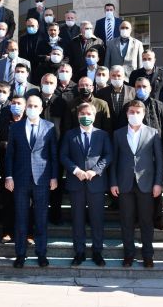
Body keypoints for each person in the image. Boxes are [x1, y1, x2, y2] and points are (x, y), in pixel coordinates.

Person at [5, 95, 58, 268]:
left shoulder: (49, 127)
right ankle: (20, 254)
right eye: (29, 105)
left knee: (41, 218)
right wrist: (8, 176)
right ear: (25, 107)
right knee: (21, 218)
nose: (32, 108)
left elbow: (53, 154)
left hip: (42, 179)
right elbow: (10, 154)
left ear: (41, 109)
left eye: (35, 106)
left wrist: (54, 176)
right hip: (20, 179)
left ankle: (41, 253)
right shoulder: (16, 127)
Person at [109, 100, 163, 268]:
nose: (134, 115)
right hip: (124, 184)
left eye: (138, 112)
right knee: (126, 221)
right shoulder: (118, 134)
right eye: (131, 112)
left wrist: (158, 183)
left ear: (143, 113)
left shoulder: (153, 133)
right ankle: (129, 255)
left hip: (146, 184)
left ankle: (148, 255)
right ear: (127, 114)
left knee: (146, 221)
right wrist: (113, 182)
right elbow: (114, 160)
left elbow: (159, 160)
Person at [60, 103, 112, 267]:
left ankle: (97, 252)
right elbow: (63, 155)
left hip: (96, 184)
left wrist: (95, 171)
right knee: (77, 220)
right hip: (76, 183)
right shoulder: (70, 134)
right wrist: (76, 170)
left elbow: (108, 155)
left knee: (97, 219)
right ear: (78, 116)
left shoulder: (102, 135)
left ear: (94, 116)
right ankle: (79, 252)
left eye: (89, 113)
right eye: (82, 113)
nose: (85, 116)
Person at [133, 77, 163, 230]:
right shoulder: (130, 106)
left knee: (156, 188)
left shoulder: (159, 105)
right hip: (136, 155)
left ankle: (157, 219)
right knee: (137, 189)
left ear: (150, 88)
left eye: (144, 86)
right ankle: (137, 219)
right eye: (138, 86)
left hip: (155, 154)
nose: (141, 89)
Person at [0, 93, 25, 243]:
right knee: (8, 201)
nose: (16, 106)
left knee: (26, 203)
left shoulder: (28, 122)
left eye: (19, 103)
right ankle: (7, 231)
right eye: (14, 103)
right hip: (7, 166)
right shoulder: (3, 122)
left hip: (24, 167)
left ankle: (27, 233)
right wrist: (4, 144)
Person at [39, 73, 68, 225]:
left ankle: (55, 215)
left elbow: (65, 126)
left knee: (56, 183)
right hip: (38, 150)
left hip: (56, 148)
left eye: (51, 82)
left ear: (56, 85)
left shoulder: (61, 102)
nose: (48, 85)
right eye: (45, 82)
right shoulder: (35, 101)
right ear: (40, 83)